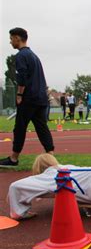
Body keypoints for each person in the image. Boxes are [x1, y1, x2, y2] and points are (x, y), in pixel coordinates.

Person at [0, 28, 54, 167]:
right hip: (40, 97)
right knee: (42, 127)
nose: (10, 41)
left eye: (11, 38)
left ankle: (13, 158)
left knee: (20, 127)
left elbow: (22, 77)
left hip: (29, 98)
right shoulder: (34, 56)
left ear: (18, 38)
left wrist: (19, 94)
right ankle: (51, 157)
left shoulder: (21, 56)